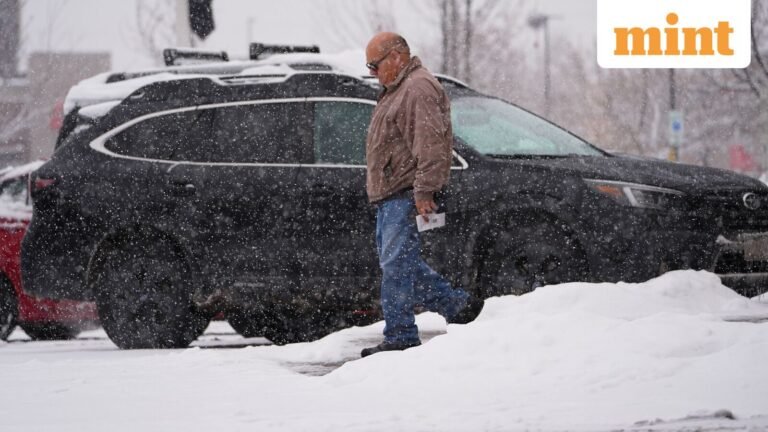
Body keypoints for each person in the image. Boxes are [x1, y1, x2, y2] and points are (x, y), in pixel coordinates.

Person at [361, 32, 484, 358]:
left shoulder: (415, 88)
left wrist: (424, 191)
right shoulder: (398, 89)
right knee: (403, 265)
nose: (372, 73)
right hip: (392, 195)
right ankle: (458, 307)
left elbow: (430, 145)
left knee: (396, 267)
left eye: (375, 65)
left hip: (404, 193)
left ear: (396, 57)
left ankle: (400, 334)